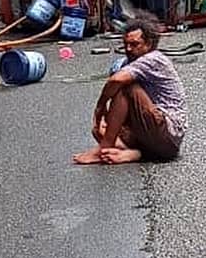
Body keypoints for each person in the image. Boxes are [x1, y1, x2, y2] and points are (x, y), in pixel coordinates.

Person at [72, 16, 187, 165]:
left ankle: (104, 148)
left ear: (149, 44)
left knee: (126, 86)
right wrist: (108, 122)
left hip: (167, 134)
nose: (128, 49)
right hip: (151, 137)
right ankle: (138, 154)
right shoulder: (129, 63)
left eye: (134, 44)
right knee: (99, 129)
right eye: (126, 44)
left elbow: (116, 81)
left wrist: (100, 107)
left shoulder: (154, 59)